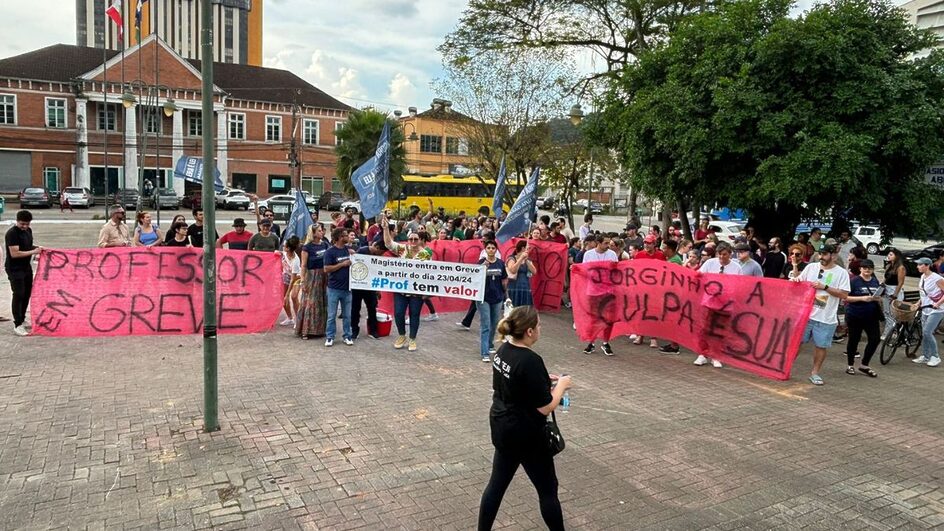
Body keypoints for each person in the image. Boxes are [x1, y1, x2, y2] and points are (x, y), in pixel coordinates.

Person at [477, 306, 570, 531]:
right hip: (527, 435)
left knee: (496, 486)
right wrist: (563, 386)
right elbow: (545, 407)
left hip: (503, 426)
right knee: (548, 489)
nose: (540, 328)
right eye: (538, 325)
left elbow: (511, 384)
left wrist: (541, 380)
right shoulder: (530, 360)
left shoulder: (503, 350)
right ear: (529, 331)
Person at [795, 244, 850, 385]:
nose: (821, 257)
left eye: (825, 254)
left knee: (821, 346)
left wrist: (824, 287)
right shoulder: (811, 267)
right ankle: (786, 366)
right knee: (797, 342)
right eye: (820, 254)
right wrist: (795, 280)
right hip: (806, 315)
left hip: (826, 317)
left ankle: (815, 373)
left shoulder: (841, 273)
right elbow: (800, 282)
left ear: (834, 256)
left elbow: (844, 294)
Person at [381, 213, 432, 352]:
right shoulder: (403, 249)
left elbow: (430, 275)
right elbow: (388, 244)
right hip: (401, 288)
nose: (413, 241)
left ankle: (413, 339)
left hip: (416, 290)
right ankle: (402, 336)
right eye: (411, 239)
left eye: (416, 239)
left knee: (414, 314)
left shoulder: (426, 255)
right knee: (398, 313)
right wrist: (385, 229)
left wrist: (427, 291)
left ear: (420, 240)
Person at [694, 241, 742, 367]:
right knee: (705, 327)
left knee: (719, 329)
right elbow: (699, 274)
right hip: (709, 301)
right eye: (719, 255)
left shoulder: (737, 268)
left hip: (725, 303)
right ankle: (702, 354)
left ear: (730, 254)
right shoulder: (710, 263)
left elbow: (740, 285)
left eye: (724, 255)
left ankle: (715, 356)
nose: (721, 257)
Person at [5, 210, 42, 336]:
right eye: (22, 224)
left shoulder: (28, 231)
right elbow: (14, 253)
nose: (25, 226)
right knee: (18, 294)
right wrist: (34, 252)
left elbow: (28, 246)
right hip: (14, 269)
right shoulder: (12, 234)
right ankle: (17, 324)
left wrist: (40, 249)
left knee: (26, 293)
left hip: (26, 267)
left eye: (27, 224)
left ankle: (22, 318)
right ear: (17, 221)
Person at [844, 259, 883, 377]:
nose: (867, 271)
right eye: (865, 268)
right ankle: (850, 365)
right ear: (860, 269)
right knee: (854, 339)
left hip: (871, 316)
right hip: (855, 315)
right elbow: (845, 297)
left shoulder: (875, 281)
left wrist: (877, 298)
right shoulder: (854, 281)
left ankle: (864, 364)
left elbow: (878, 296)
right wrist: (862, 298)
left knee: (875, 339)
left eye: (870, 268)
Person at [581, 234, 619, 356]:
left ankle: (606, 342)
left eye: (609, 243)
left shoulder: (612, 255)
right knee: (594, 317)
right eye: (606, 243)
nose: (608, 246)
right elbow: (584, 270)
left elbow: (617, 272)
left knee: (608, 319)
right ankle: (591, 342)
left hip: (608, 291)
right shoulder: (588, 254)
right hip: (593, 291)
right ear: (599, 243)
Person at [477, 240, 508, 363]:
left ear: (496, 250)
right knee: (485, 324)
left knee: (494, 323)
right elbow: (474, 279)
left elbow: (504, 279)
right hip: (483, 298)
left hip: (497, 297)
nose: (490, 250)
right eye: (488, 248)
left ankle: (490, 344)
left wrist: (505, 292)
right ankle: (484, 352)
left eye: (493, 248)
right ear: (485, 250)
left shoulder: (500, 263)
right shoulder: (481, 263)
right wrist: (482, 268)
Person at [323, 228, 355, 347]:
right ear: (340, 238)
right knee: (331, 315)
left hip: (348, 289)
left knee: (347, 315)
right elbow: (326, 269)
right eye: (346, 235)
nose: (349, 237)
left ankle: (347, 335)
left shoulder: (349, 250)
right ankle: (330, 336)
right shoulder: (330, 252)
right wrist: (342, 264)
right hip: (334, 288)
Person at [296, 224, 329, 339]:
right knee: (311, 302)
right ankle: (305, 330)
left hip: (324, 275)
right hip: (311, 275)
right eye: (319, 231)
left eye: (322, 231)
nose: (322, 233)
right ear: (314, 233)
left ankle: (319, 329)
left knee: (322, 302)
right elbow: (303, 265)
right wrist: (303, 280)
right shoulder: (307, 247)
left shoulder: (325, 244)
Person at [914, 257, 944, 367]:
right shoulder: (923, 276)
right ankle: (925, 356)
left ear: (927, 265)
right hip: (925, 308)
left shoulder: (937, 278)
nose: (917, 267)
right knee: (924, 333)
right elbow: (923, 293)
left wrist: (938, 303)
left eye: (920, 265)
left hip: (937, 310)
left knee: (927, 332)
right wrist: (918, 303)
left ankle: (935, 356)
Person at [351, 240, 383, 341]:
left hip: (370, 286)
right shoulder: (362, 251)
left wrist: (377, 288)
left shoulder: (377, 257)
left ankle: (373, 330)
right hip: (358, 285)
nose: (381, 255)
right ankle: (354, 330)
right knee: (355, 308)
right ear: (377, 247)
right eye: (381, 252)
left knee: (372, 308)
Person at [881, 248, 906, 341]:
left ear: (896, 256)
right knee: (886, 312)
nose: (889, 256)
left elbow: (900, 282)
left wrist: (895, 295)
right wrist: (882, 285)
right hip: (886, 289)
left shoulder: (900, 268)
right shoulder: (888, 266)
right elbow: (885, 278)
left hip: (895, 290)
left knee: (893, 313)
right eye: (889, 254)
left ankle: (891, 332)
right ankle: (889, 331)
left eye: (891, 254)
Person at [506, 240, 537, 307]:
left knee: (525, 310)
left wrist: (526, 261)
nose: (529, 250)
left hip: (525, 287)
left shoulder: (527, 259)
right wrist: (520, 259)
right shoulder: (512, 258)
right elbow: (513, 270)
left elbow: (534, 271)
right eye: (528, 248)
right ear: (523, 248)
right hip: (514, 287)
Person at [280, 236, 302, 327]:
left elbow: (293, 278)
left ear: (288, 248)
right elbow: (281, 253)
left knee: (293, 297)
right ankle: (290, 318)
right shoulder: (285, 253)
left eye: (284, 246)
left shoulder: (295, 261)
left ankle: (298, 319)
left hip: (297, 277)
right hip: (286, 275)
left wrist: (287, 294)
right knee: (282, 298)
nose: (283, 247)